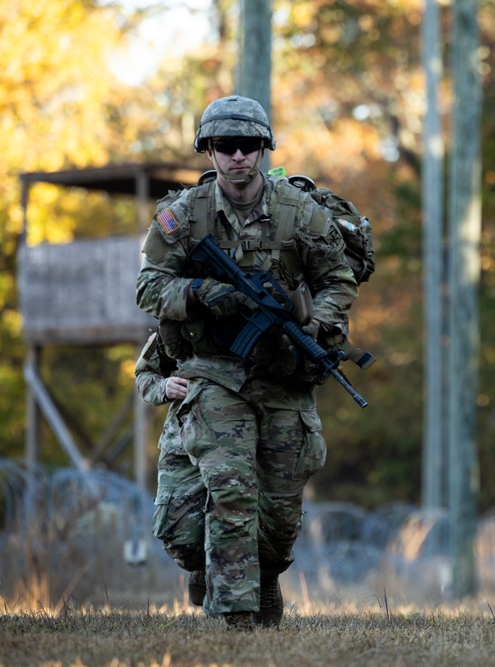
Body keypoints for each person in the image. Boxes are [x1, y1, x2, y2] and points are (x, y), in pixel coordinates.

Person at [136, 95, 358, 629]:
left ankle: (262, 579)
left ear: (264, 149)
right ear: (209, 151)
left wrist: (313, 323)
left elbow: (339, 281)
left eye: (249, 146)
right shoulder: (183, 216)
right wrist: (200, 293)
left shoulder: (301, 213)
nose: (239, 156)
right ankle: (237, 624)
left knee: (278, 521)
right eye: (226, 147)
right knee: (230, 495)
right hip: (214, 371)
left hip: (282, 374)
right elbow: (149, 288)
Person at [134, 333, 206, 606]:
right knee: (181, 538)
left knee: (241, 516)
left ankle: (260, 580)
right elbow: (143, 374)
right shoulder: (178, 319)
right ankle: (202, 565)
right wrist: (163, 387)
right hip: (184, 441)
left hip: (242, 440)